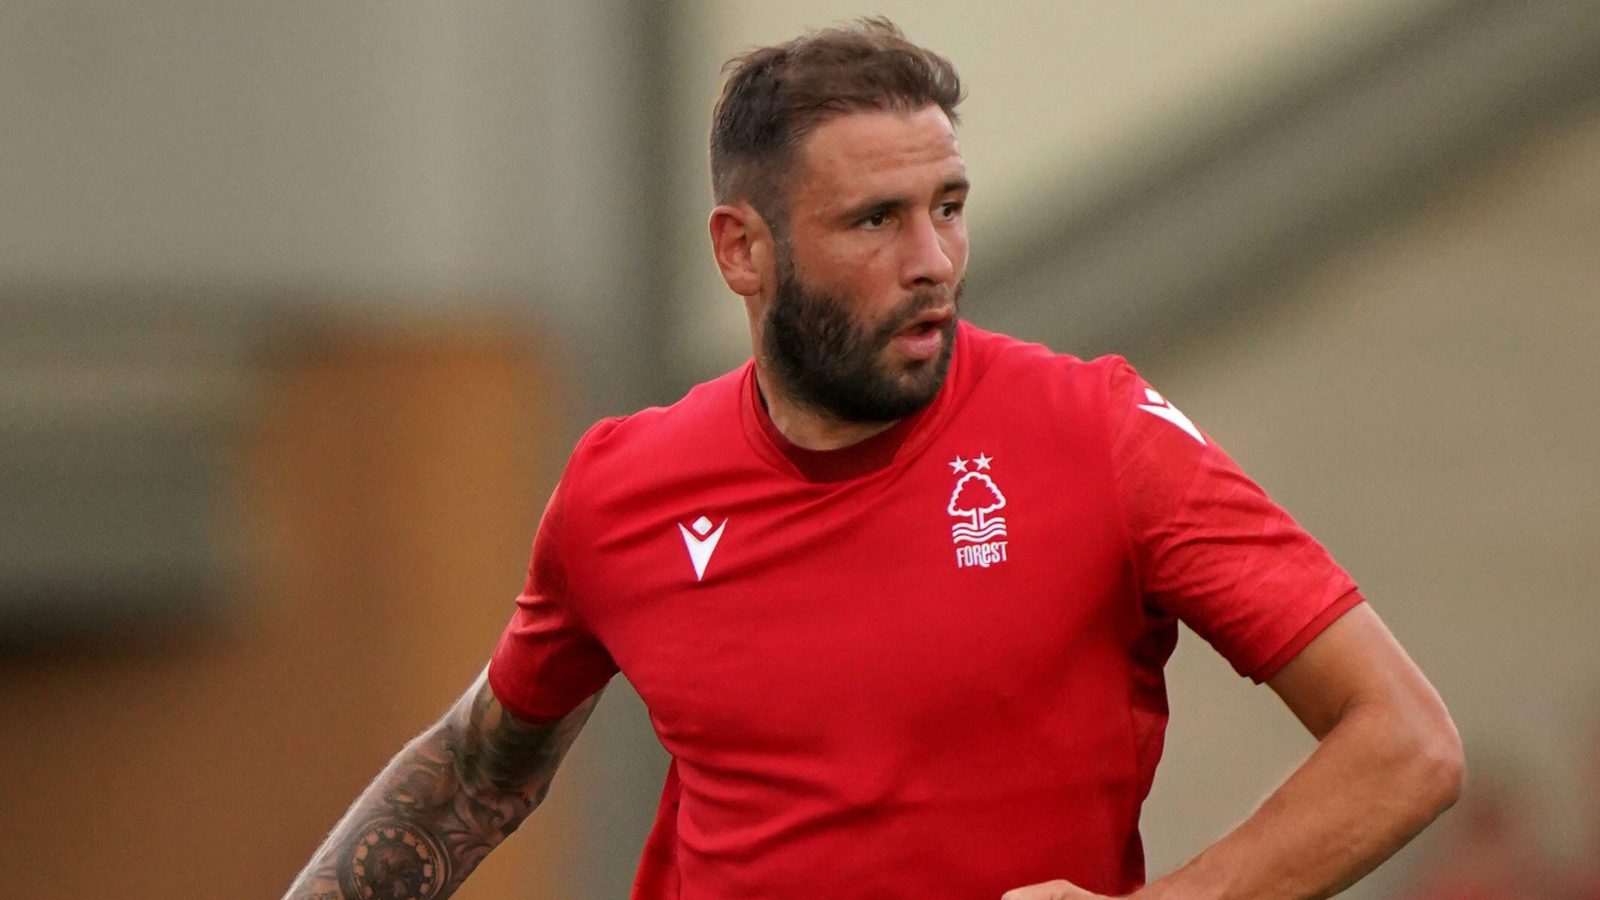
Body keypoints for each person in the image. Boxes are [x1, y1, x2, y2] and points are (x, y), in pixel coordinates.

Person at [284, 18, 1463, 900]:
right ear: (741, 250)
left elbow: (1402, 743)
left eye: (947, 205)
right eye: (874, 221)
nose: (934, 258)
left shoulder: (1096, 431)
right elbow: (480, 769)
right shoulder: (620, 489)